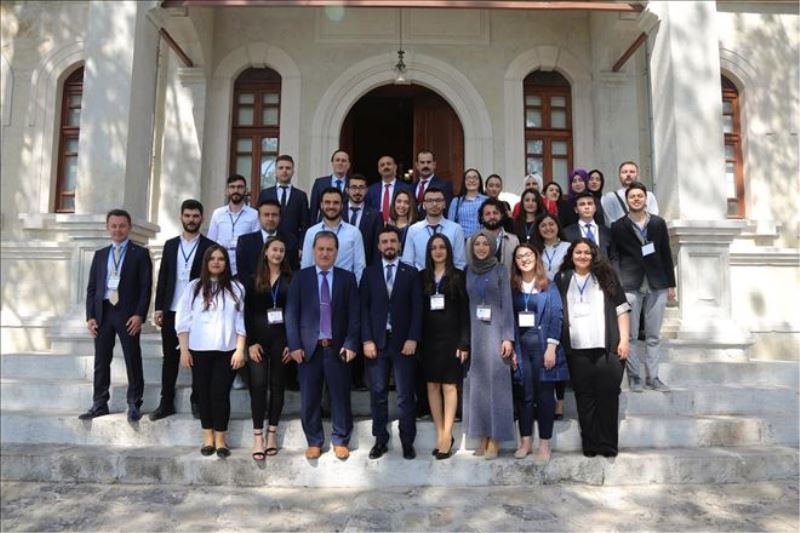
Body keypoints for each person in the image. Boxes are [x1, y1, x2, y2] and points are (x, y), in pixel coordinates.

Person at [286, 231, 361, 460]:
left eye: (329, 249)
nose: (325, 253)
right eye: (321, 249)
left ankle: (340, 439)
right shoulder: (301, 278)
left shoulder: (347, 279)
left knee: (340, 396)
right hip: (309, 349)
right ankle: (314, 441)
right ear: (313, 251)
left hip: (338, 349)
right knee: (310, 398)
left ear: (337, 252)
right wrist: (294, 345)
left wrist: (351, 343)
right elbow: (291, 314)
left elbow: (355, 315)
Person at [555, 238, 631, 457]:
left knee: (608, 397)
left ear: (594, 255)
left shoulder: (607, 276)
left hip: (607, 348)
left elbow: (622, 309)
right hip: (577, 349)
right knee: (584, 398)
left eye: (587, 252)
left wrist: (624, 340)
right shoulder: (563, 278)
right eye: (578, 252)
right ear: (571, 255)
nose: (582, 256)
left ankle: (608, 445)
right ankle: (590, 444)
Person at [80, 209, 153, 422]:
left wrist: (140, 315)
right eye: (114, 226)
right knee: (101, 360)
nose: (118, 230)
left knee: (132, 357)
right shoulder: (100, 254)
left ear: (129, 227)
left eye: (122, 226)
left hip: (127, 313)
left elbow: (146, 287)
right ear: (108, 227)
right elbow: (92, 288)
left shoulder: (140, 254)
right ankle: (99, 403)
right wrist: (90, 316)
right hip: (103, 312)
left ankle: (134, 403)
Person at [176, 245, 247, 458]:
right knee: (203, 394)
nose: (216, 262)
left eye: (221, 259)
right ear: (206, 262)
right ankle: (208, 437)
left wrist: (240, 350)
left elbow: (240, 321)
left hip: (227, 350)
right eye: (212, 259)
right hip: (199, 350)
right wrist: (184, 350)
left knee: (220, 394)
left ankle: (221, 440)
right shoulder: (194, 287)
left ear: (226, 263)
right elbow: (183, 319)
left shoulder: (236, 288)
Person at [360, 226, 423, 460]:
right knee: (377, 394)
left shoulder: (411, 273)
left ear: (399, 245)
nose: (389, 245)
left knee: (405, 396)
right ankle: (380, 440)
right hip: (376, 343)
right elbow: (363, 309)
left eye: (392, 241)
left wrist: (413, 338)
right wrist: (366, 339)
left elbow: (418, 309)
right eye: (384, 241)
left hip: (403, 343)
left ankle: (407, 441)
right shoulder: (369, 273)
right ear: (378, 246)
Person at [151, 199, 215, 421]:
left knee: (198, 358)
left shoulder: (209, 246)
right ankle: (166, 402)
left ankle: (197, 401)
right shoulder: (170, 245)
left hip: (197, 312)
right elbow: (163, 277)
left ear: (202, 219)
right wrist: (158, 307)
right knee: (169, 358)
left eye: (195, 216)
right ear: (181, 217)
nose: (191, 220)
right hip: (171, 310)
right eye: (187, 215)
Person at [611, 182, 676, 393]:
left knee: (653, 335)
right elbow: (615, 257)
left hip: (657, 284)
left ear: (646, 199)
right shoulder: (618, 226)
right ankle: (635, 376)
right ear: (627, 200)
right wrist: (618, 283)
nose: (636, 199)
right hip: (630, 285)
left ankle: (653, 377)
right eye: (632, 196)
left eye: (640, 195)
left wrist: (671, 284)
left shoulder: (658, 223)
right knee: (629, 335)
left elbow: (666, 253)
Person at [510, 243, 565, 464]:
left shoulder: (548, 285)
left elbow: (557, 315)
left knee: (544, 395)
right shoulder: (512, 287)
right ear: (515, 262)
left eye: (528, 255)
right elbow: (508, 318)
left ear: (536, 257)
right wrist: (512, 347)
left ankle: (544, 443)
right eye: (519, 256)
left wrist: (551, 348)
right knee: (524, 394)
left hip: (543, 346)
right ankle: (525, 442)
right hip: (521, 347)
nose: (524, 259)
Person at [463, 230, 516, 459]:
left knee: (498, 386)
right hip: (475, 335)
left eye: (486, 244)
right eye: (477, 244)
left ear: (493, 246)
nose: (482, 248)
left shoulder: (500, 269)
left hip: (496, 333)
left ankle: (495, 438)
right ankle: (483, 435)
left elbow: (507, 303)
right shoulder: (467, 271)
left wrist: (508, 337)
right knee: (478, 387)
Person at [420, 234, 470, 460]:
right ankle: (440, 433)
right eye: (434, 248)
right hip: (429, 339)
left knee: (449, 386)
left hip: (452, 339)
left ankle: (448, 434)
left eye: (442, 247)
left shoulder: (458, 276)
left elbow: (465, 312)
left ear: (448, 250)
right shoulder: (422, 277)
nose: (438, 251)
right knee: (432, 385)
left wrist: (464, 342)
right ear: (429, 252)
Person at [243, 236, 293, 460]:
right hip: (258, 342)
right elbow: (246, 314)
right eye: (274, 249)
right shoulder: (253, 280)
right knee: (258, 386)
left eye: (281, 250)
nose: (278, 254)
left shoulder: (291, 279)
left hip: (281, 341)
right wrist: (250, 343)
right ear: (265, 252)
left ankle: (271, 434)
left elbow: (294, 312)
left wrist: (292, 343)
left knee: (278, 386)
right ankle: (258, 438)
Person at [301, 187, 366, 283]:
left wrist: (353, 289)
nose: (331, 206)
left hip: (345, 288)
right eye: (327, 202)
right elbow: (306, 266)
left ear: (342, 206)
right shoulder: (311, 233)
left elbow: (359, 267)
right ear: (321, 205)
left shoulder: (354, 233)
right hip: (317, 287)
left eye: (336, 203)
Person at [402, 187, 466, 270]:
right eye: (430, 201)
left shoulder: (456, 229)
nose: (434, 204)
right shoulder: (413, 230)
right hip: (420, 276)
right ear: (423, 205)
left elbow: (460, 263)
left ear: (444, 204)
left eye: (438, 200)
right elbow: (408, 262)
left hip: (449, 276)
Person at [207, 174, 259, 277]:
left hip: (244, 267)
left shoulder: (254, 214)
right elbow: (211, 242)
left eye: (240, 187)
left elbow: (256, 243)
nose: (236, 190)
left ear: (246, 190)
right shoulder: (217, 213)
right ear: (227, 191)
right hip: (221, 267)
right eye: (232, 187)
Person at [236, 199, 300, 281]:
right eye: (266, 215)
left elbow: (294, 271)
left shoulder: (291, 241)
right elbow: (243, 274)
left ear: (280, 217)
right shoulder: (245, 242)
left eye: (274, 215)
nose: (270, 219)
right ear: (259, 217)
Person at [257, 154, 309, 249]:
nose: (284, 171)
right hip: (268, 244)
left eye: (288, 168)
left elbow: (305, 224)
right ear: (275, 172)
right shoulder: (265, 193)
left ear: (293, 172)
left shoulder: (301, 196)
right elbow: (259, 219)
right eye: (281, 168)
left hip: (292, 245)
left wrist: (301, 247)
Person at [466, 198, 519, 275]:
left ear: (502, 215)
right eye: (488, 214)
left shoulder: (513, 241)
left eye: (495, 213)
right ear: (482, 218)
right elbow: (469, 269)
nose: (492, 217)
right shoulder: (471, 241)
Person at [601, 161, 659, 227]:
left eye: (632, 172)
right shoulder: (609, 197)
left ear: (637, 175)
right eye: (624, 172)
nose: (628, 174)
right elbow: (610, 222)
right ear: (619, 176)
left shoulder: (649, 195)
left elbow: (653, 218)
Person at [562, 191, 616, 263]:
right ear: (576, 210)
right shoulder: (567, 233)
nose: (586, 207)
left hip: (605, 269)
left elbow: (614, 257)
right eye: (582, 204)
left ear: (595, 208)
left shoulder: (607, 231)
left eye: (590, 204)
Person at [344, 173, 382, 267]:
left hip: (365, 267)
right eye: (353, 187)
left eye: (361, 188)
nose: (357, 191)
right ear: (347, 190)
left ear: (366, 190)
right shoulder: (338, 212)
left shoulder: (375, 216)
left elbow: (376, 249)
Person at [366, 155, 413, 224]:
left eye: (389, 164)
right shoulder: (371, 190)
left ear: (395, 167)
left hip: (398, 225)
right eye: (382, 165)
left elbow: (411, 210)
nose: (386, 167)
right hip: (376, 226)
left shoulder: (406, 188)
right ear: (379, 170)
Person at [309, 149, 350, 223]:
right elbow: (313, 210)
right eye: (337, 160)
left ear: (348, 165)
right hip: (324, 226)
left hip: (346, 225)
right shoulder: (320, 183)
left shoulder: (352, 185)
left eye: (343, 161)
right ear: (332, 163)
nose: (340, 163)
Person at [447, 168, 488, 239]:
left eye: (475, 178)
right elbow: (451, 225)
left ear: (480, 182)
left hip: (482, 240)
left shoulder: (487, 200)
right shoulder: (456, 201)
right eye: (468, 178)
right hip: (462, 241)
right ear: (464, 182)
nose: (471, 180)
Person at [413, 150, 454, 217]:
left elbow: (448, 210)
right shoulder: (411, 187)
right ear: (417, 165)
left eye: (429, 162)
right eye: (422, 162)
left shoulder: (444, 186)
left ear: (434, 165)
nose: (425, 165)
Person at [534, 213, 571, 280]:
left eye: (551, 224)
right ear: (538, 230)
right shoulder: (533, 250)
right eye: (543, 225)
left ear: (558, 226)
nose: (548, 228)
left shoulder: (568, 247)